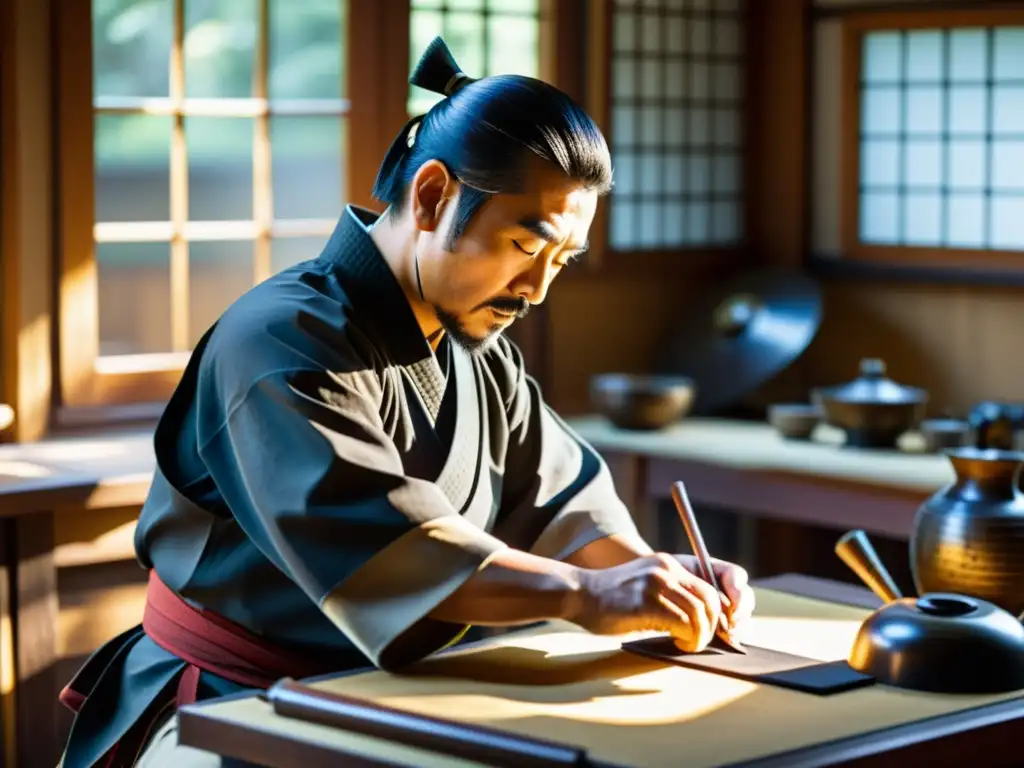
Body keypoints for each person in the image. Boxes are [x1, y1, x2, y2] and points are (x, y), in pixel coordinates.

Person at [58, 37, 755, 767]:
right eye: (525, 245)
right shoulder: (276, 343)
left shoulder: (477, 355)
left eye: (561, 263)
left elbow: (562, 504)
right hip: (236, 713)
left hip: (387, 704)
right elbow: (387, 549)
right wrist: (587, 593)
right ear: (431, 197)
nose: (538, 290)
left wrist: (655, 581)